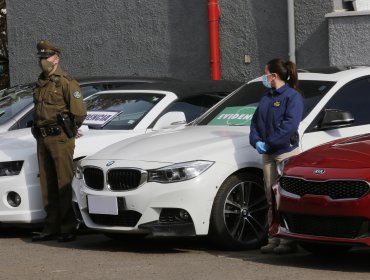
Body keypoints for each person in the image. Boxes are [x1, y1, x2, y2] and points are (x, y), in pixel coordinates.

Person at [31, 40, 87, 242]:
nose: (43, 61)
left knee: (63, 182)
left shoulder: (66, 82)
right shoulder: (41, 83)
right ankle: (51, 226)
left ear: (56, 59)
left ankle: (67, 227)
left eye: (46, 57)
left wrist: (71, 129)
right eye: (41, 58)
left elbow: (79, 112)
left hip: (60, 138)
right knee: (47, 184)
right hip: (42, 137)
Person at [249, 58, 304, 254]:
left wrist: (270, 142)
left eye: (266, 73)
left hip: (284, 154)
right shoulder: (266, 97)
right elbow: (255, 122)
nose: (265, 77)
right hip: (269, 155)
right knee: (270, 198)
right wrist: (256, 141)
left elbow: (289, 126)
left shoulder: (292, 97)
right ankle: (274, 236)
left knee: (285, 199)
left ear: (274, 76)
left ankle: (288, 240)